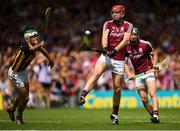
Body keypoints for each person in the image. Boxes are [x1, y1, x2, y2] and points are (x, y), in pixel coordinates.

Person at [79, 4, 133, 125]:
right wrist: (105, 48)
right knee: (96, 73)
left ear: (123, 14)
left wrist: (115, 50)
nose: (114, 14)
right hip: (106, 57)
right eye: (113, 12)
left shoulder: (128, 26)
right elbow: (104, 37)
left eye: (117, 12)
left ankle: (114, 114)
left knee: (117, 88)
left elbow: (126, 40)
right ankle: (83, 95)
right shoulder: (108, 24)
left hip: (119, 60)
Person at [6, 27, 54, 124]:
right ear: (27, 38)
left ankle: (11, 108)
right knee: (26, 97)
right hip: (15, 74)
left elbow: (42, 50)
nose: (36, 38)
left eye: (36, 36)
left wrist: (50, 59)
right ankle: (19, 116)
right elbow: (32, 49)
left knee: (23, 95)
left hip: (23, 72)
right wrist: (40, 44)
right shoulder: (25, 46)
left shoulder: (35, 45)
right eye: (34, 37)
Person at [125, 27, 160, 123]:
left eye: (135, 34)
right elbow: (125, 63)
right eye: (131, 35)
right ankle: (153, 114)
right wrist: (129, 74)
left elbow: (154, 54)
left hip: (149, 72)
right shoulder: (126, 47)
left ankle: (156, 114)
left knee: (153, 94)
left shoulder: (145, 44)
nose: (133, 36)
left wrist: (155, 65)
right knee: (144, 99)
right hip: (138, 75)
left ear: (138, 35)